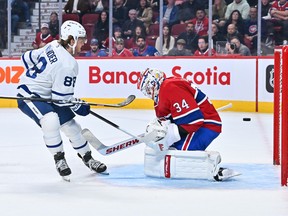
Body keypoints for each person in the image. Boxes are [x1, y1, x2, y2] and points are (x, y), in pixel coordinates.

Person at [17, 20, 107, 180]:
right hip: (29, 95)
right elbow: (62, 99)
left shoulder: (53, 45)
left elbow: (26, 58)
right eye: (81, 41)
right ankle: (59, 159)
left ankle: (88, 158)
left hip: (48, 95)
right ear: (71, 40)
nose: (83, 45)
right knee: (50, 120)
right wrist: (79, 106)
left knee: (71, 126)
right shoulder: (69, 64)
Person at [137, 68, 237, 181]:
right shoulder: (162, 94)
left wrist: (170, 135)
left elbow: (194, 121)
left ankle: (213, 167)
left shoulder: (169, 87)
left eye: (147, 89)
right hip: (195, 125)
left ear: (153, 83)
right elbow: (168, 120)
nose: (148, 93)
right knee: (164, 153)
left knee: (174, 155)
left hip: (207, 125)